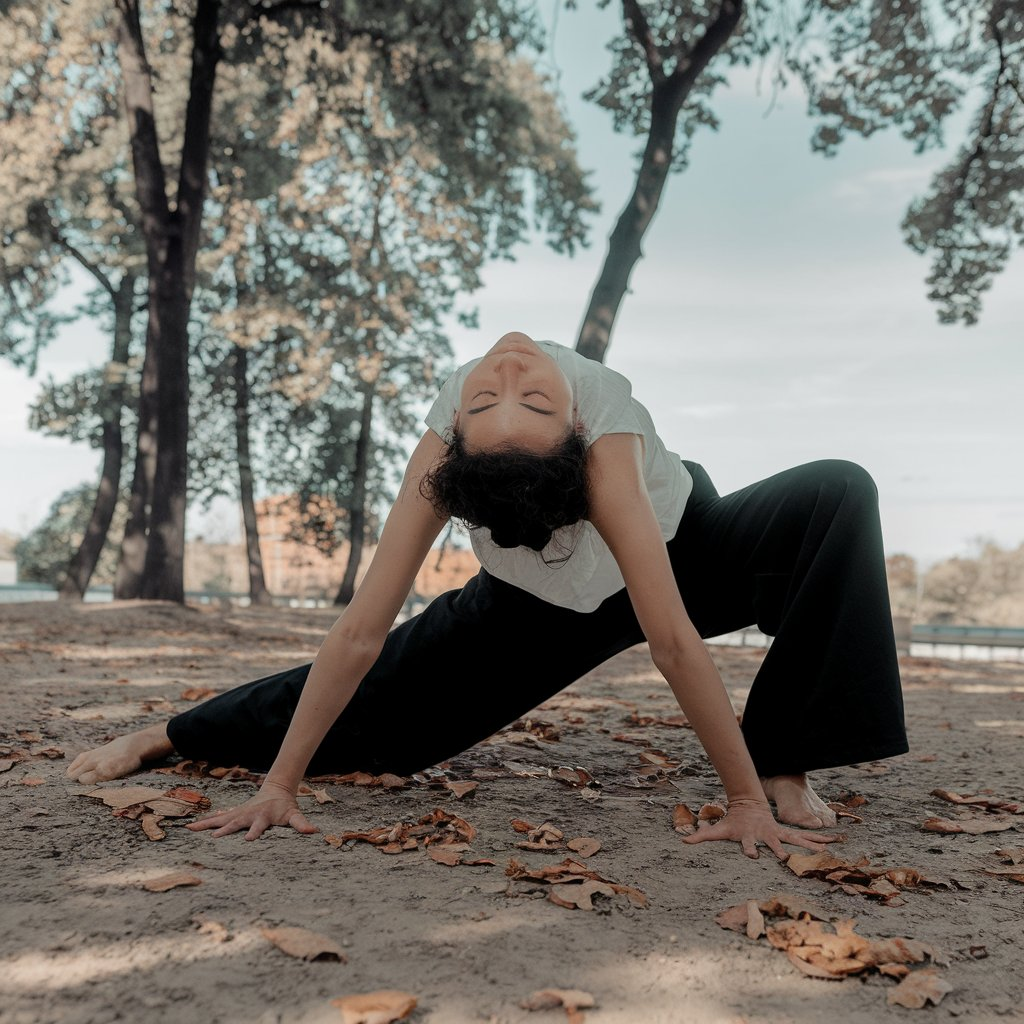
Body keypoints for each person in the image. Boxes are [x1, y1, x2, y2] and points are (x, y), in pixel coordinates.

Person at [66, 332, 909, 860]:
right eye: (491, 397)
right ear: (456, 436)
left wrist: (744, 799)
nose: (506, 368)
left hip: (685, 549)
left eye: (533, 398)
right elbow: (361, 631)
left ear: (575, 433)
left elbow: (675, 641)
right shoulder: (444, 449)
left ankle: (785, 759)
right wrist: (279, 785)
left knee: (835, 494)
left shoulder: (603, 423)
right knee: (392, 722)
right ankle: (167, 737)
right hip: (532, 602)